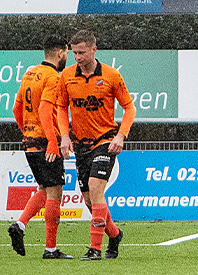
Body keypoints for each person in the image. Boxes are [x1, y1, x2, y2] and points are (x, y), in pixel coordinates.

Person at [55, 29, 137, 261]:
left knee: (95, 188)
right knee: (89, 200)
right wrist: (64, 135)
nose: (77, 57)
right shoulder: (67, 76)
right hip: (80, 145)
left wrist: (121, 136)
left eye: (81, 52)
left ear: (94, 49)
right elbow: (61, 107)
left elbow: (129, 108)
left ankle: (95, 249)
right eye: (74, 53)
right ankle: (115, 234)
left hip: (105, 141)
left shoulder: (111, 75)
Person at [8, 36, 71, 260]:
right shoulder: (53, 76)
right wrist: (53, 142)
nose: (68, 57)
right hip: (45, 142)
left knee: (44, 188)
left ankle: (20, 224)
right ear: (60, 52)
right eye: (67, 53)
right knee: (55, 192)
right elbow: (45, 111)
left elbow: (16, 109)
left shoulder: (29, 74)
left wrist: (27, 132)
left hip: (30, 141)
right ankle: (51, 249)